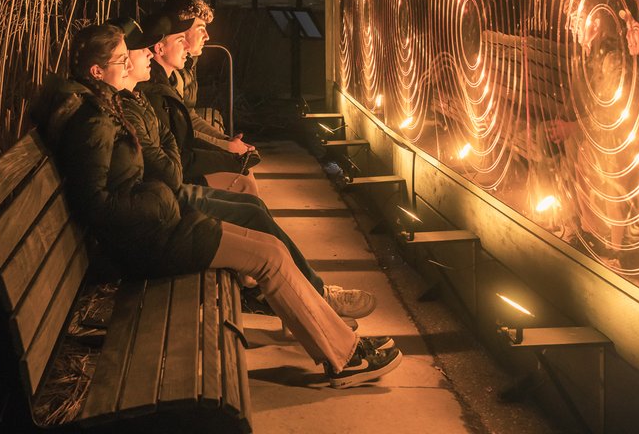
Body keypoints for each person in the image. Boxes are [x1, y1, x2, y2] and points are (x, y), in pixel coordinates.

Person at [32, 23, 402, 388]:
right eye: (119, 60)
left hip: (159, 226)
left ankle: (342, 345)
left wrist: (157, 195)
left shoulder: (105, 108)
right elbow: (94, 204)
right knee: (268, 257)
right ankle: (344, 359)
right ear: (97, 72)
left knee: (270, 247)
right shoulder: (94, 121)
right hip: (147, 242)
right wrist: (157, 197)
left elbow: (142, 168)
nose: (128, 64)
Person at [111, 14, 377, 322]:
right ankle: (295, 294)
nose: (198, 40)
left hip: (165, 198)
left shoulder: (141, 95)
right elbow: (172, 158)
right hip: (164, 208)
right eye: (185, 36)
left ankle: (286, 292)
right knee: (249, 202)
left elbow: (177, 135)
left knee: (251, 202)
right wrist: (227, 153)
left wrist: (224, 144)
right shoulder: (141, 97)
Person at [138, 11, 258, 195]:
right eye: (180, 39)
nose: (187, 45)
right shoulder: (155, 92)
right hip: (168, 186)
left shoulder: (169, 81)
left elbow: (184, 132)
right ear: (159, 49)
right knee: (244, 184)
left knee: (245, 179)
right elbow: (179, 149)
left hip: (173, 176)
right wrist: (229, 153)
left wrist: (228, 147)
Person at [157, 0, 253, 156]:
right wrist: (225, 146)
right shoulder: (167, 69)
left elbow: (188, 114)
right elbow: (177, 130)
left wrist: (226, 140)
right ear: (182, 29)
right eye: (201, 29)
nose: (207, 36)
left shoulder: (189, 62)